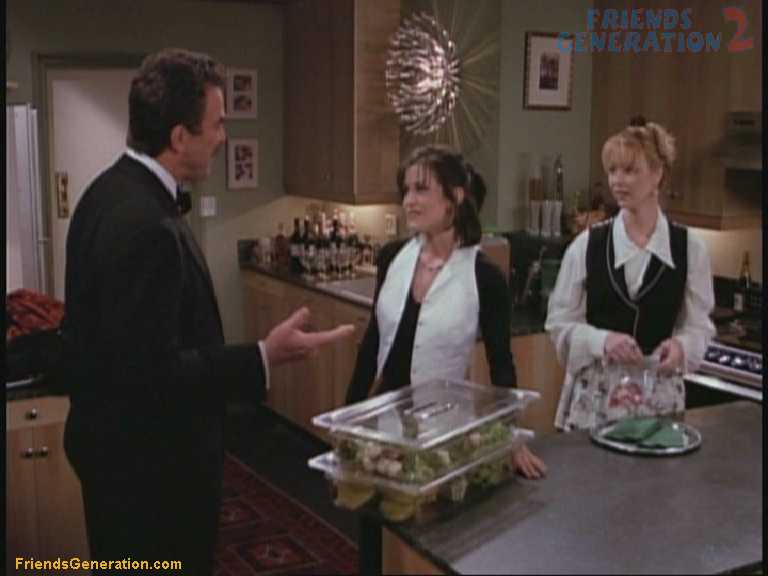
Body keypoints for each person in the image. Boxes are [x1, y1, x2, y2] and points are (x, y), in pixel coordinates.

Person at [60, 48, 354, 574]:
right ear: (179, 137)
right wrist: (264, 355)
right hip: (151, 475)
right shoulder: (146, 225)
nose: (223, 137)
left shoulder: (103, 192)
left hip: (111, 455)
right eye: (217, 124)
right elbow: (153, 373)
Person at [346, 144, 546, 479]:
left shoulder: (484, 277)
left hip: (444, 430)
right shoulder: (393, 257)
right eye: (406, 189)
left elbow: (501, 365)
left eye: (421, 189)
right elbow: (373, 344)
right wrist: (348, 420)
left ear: (455, 197)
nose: (409, 200)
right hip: (385, 424)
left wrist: (512, 436)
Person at [545, 117, 716, 431]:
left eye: (630, 170)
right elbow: (558, 325)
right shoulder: (587, 246)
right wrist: (601, 340)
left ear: (657, 173)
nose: (617, 181)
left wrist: (681, 347)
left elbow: (698, 327)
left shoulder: (690, 249)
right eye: (613, 170)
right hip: (596, 401)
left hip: (658, 400)